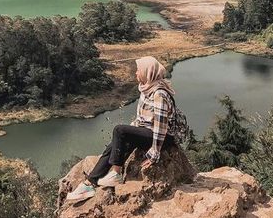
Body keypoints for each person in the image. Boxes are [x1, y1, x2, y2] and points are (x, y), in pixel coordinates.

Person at [66, 55, 188, 202]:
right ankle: (89, 184)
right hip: (148, 131)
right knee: (114, 144)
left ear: (147, 73)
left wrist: (155, 152)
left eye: (138, 70)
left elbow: (161, 127)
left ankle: (116, 173)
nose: (136, 73)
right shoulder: (146, 89)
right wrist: (131, 131)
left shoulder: (159, 94)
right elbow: (143, 119)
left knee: (119, 130)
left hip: (164, 137)